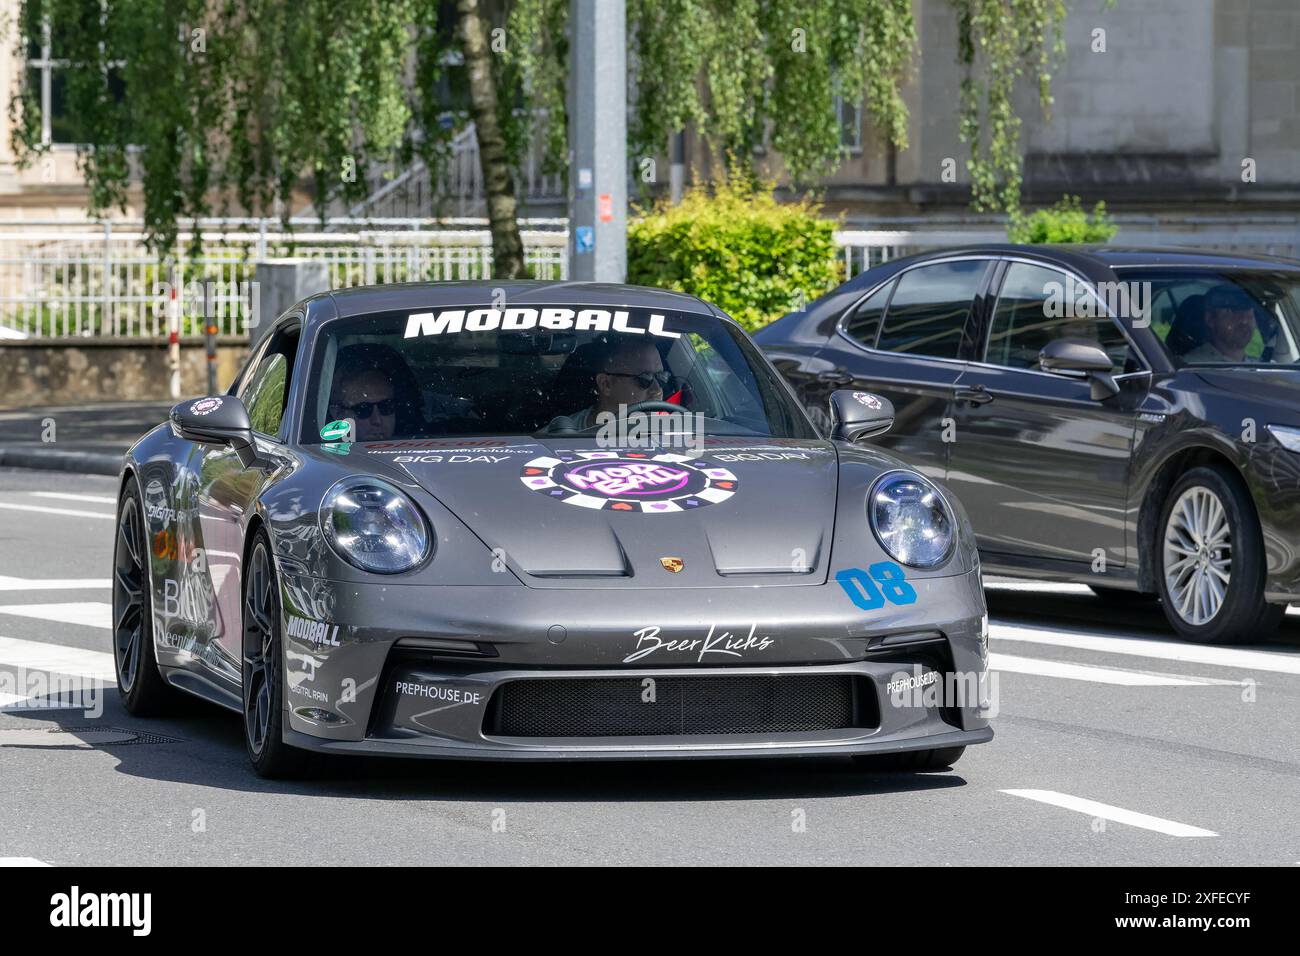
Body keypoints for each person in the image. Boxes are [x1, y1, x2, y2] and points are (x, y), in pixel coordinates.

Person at [547, 337, 673, 432]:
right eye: (645, 379)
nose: (657, 389)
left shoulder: (679, 435)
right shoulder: (556, 439)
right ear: (606, 384)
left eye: (661, 377)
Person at [1184, 287, 1259, 364]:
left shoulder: (1262, 367)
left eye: (1248, 311)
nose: (1244, 320)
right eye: (1232, 311)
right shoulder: (1191, 366)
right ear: (1210, 318)